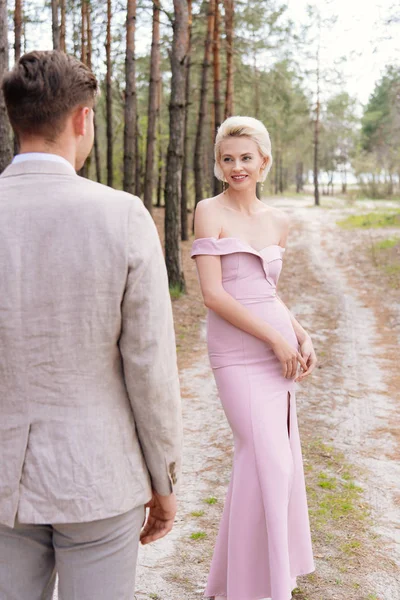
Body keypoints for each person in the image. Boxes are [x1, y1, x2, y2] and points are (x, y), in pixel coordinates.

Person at [0, 50, 182, 600]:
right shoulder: (123, 216)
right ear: (83, 119)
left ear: (16, 119)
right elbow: (149, 364)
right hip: (97, 476)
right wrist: (163, 477)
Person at [191, 116, 317, 600]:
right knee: (269, 462)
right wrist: (275, 340)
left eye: (246, 157)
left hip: (276, 347)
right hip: (238, 352)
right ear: (220, 166)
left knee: (267, 464)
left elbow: (268, 291)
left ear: (264, 162)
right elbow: (214, 296)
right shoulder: (209, 210)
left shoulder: (278, 221)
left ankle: (234, 584)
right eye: (228, 158)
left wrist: (299, 333)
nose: (237, 166)